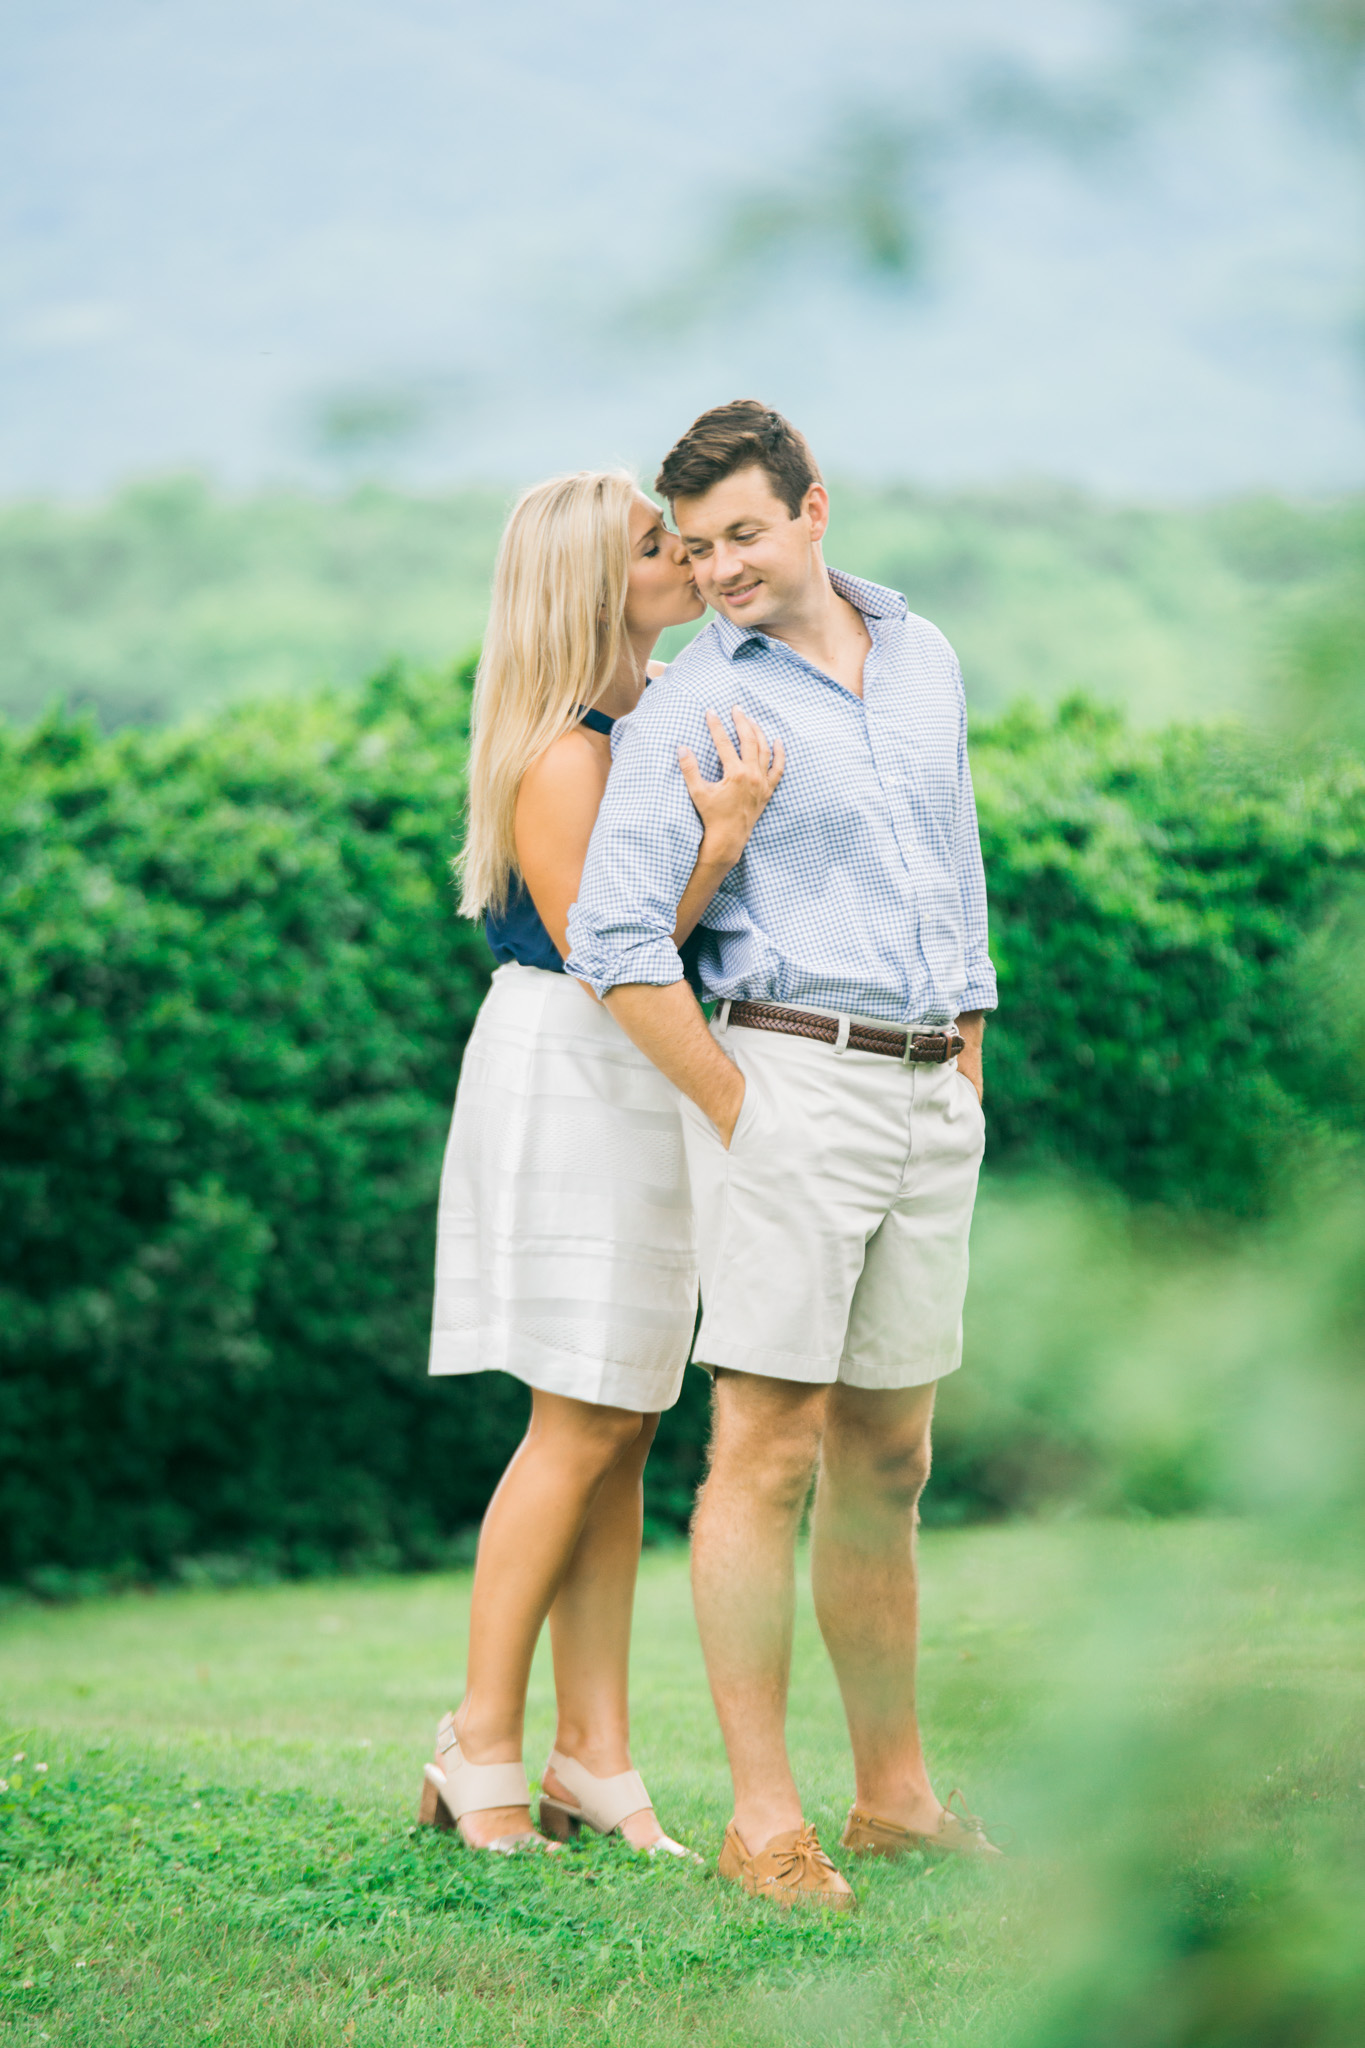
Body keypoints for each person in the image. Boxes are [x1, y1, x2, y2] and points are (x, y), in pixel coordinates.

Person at [566, 402, 1002, 1908]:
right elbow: (612, 943)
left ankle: (895, 1799)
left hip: (928, 1091)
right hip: (789, 1078)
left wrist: (970, 1045)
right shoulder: (693, 700)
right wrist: (744, 1111)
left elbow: (955, 852)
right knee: (764, 1453)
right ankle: (765, 1820)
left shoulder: (925, 654)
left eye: (743, 534)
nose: (722, 568)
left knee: (892, 1457)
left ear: (813, 510)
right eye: (695, 549)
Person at [420, 469, 784, 1857]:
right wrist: (726, 838)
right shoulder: (566, 752)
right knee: (576, 1421)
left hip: (629, 1073)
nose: (684, 555)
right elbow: (611, 955)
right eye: (654, 545)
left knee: (624, 1416)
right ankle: (482, 1740)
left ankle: (596, 1754)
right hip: (576, 1073)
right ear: (593, 586)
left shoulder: (635, 722)